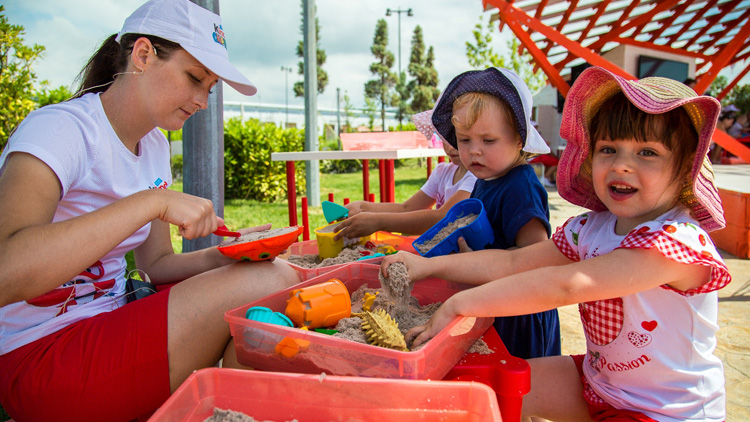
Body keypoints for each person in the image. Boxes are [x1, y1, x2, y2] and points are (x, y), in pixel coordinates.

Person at [0, 1, 300, 421]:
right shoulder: (60, 130)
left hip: (109, 320)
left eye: (210, 87)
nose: (202, 100)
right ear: (142, 55)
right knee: (275, 281)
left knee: (256, 304)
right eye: (194, 78)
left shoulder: (155, 145)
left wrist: (232, 254)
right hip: (41, 355)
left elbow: (156, 264)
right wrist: (149, 203)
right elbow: (7, 271)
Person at [383, 67, 731, 422]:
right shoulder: (591, 228)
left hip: (665, 410)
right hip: (601, 380)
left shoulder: (677, 242)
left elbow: (569, 284)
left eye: (647, 153)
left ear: (684, 166)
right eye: (608, 148)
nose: (622, 165)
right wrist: (425, 265)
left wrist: (461, 304)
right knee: (488, 387)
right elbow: (512, 263)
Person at [414, 67, 561, 360]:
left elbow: (535, 259)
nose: (474, 151)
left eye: (488, 141)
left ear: (520, 139)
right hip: (491, 299)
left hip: (519, 311)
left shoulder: (520, 186)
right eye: (465, 140)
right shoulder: (485, 178)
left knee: (515, 385)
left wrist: (474, 258)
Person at [332, 110, 477, 239]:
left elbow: (443, 218)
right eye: (445, 137)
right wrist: (362, 207)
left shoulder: (475, 177)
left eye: (459, 139)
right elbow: (407, 208)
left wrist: (377, 222)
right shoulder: (442, 171)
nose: (450, 146)